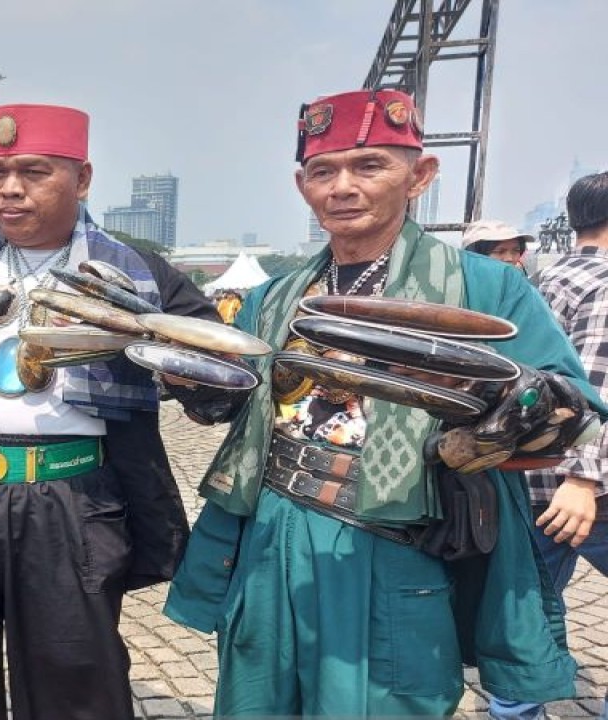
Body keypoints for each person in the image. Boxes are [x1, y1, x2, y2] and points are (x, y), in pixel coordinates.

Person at [164, 89, 603, 717]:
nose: (343, 186)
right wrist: (194, 381)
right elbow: (244, 405)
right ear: (302, 184)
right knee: (254, 700)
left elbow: (572, 412)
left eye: (370, 165)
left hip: (395, 543)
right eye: (324, 171)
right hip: (272, 533)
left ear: (420, 174)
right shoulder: (275, 296)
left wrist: (508, 405)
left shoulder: (486, 287)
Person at [0, 103, 227, 720]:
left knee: (73, 681)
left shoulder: (140, 275)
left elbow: (219, 380)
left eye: (34, 171)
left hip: (66, 498)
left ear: (82, 179)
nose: (11, 189)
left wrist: (158, 348)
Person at [489, 172, 608, 720]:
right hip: (585, 490)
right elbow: (596, 383)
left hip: (528, 476)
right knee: (530, 607)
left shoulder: (541, 278)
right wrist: (584, 478)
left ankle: (513, 709)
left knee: (528, 609)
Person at [464, 219, 533, 272]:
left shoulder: (519, 285)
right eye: (500, 251)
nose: (509, 258)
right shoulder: (461, 287)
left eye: (516, 251)